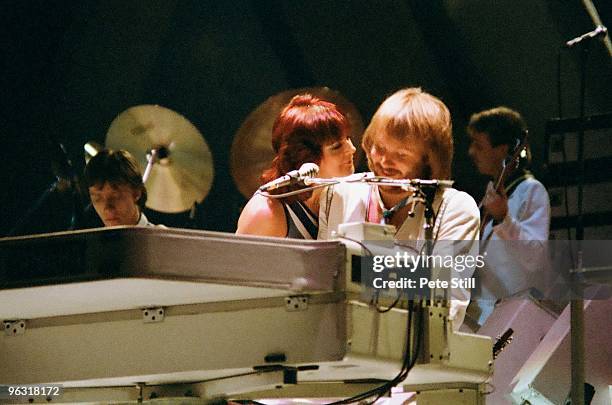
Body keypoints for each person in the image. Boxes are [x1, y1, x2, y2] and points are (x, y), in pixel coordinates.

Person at [319, 87, 480, 329]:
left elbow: (449, 303)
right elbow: (321, 280)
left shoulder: (457, 209)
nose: (384, 162)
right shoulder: (340, 193)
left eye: (401, 155)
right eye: (380, 149)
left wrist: (357, 274)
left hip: (417, 356)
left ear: (429, 160)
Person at [466, 106, 550, 326]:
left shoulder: (531, 191)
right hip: (479, 314)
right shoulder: (491, 193)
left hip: (507, 318)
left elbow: (535, 256)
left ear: (503, 150)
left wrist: (505, 219)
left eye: (478, 145)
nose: (471, 152)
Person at [236, 94, 356, 239]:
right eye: (336, 146)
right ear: (305, 156)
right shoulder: (265, 214)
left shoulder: (349, 197)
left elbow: (376, 260)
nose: (352, 149)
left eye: (348, 138)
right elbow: (237, 262)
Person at [84, 148, 155, 227]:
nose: (107, 208)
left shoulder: (164, 238)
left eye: (115, 196)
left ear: (136, 193)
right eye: (97, 199)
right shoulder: (89, 238)